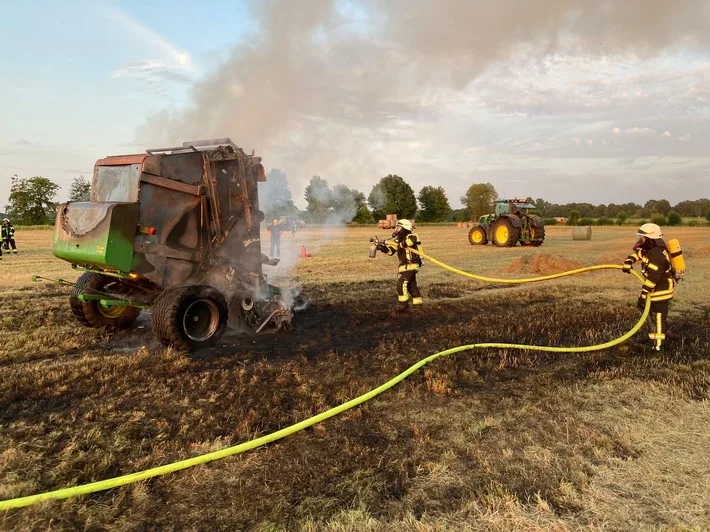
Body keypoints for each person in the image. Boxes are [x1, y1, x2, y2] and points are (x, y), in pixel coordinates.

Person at [622, 223, 675, 351]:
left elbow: (653, 278)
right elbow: (639, 254)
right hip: (653, 289)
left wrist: (643, 295)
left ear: (650, 238)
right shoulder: (649, 249)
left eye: (642, 237)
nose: (640, 239)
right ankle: (653, 340)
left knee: (658, 317)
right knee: (650, 314)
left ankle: (658, 346)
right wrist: (629, 261)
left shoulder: (657, 255)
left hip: (661, 291)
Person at [378, 219, 423, 313]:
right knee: (412, 288)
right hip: (405, 267)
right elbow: (390, 252)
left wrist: (398, 243)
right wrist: (382, 247)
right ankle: (418, 308)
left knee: (401, 284)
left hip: (411, 265)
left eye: (399, 227)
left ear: (405, 228)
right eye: (396, 227)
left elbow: (409, 242)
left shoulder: (412, 236)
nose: (396, 229)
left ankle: (403, 305)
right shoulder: (398, 240)